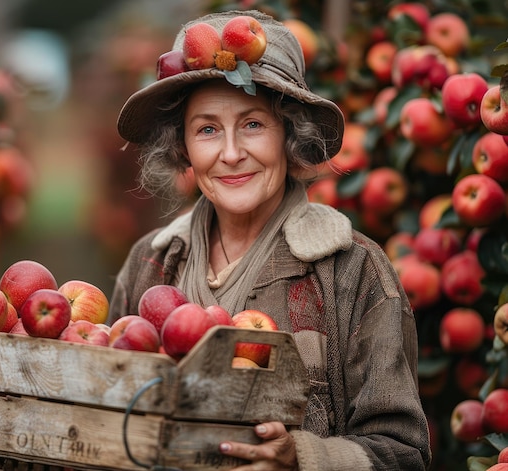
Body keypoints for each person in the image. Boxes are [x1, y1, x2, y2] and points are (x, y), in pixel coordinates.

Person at [109, 9, 431, 471]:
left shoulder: (352, 269)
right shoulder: (152, 262)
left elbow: (404, 454)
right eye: (207, 130)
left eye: (254, 124)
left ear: (290, 135)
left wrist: (302, 458)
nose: (232, 153)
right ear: (182, 146)